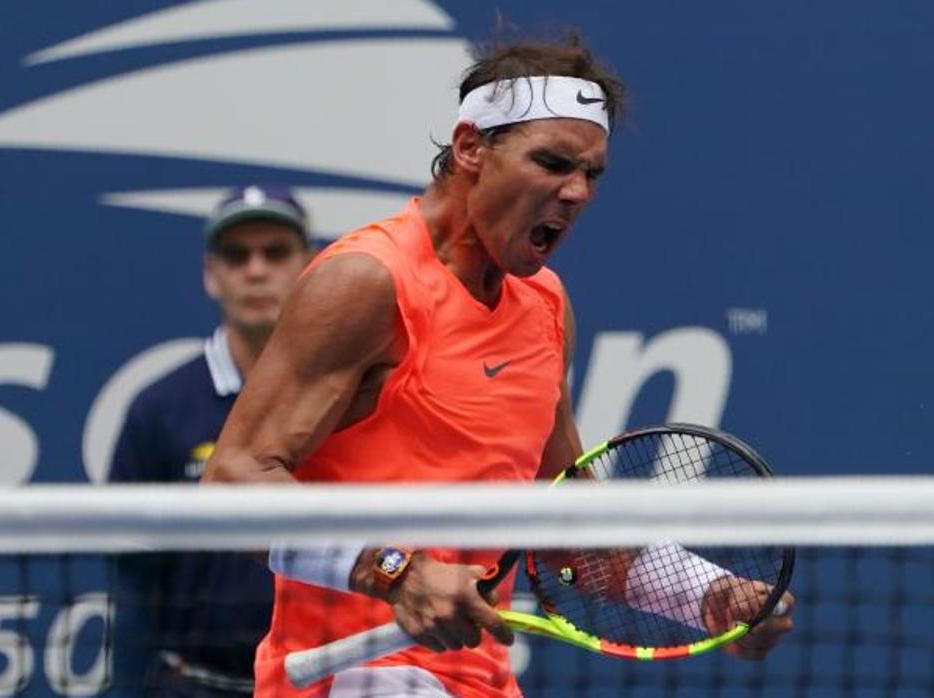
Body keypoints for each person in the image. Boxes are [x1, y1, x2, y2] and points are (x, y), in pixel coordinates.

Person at [203, 35, 796, 697]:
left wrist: (707, 596)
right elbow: (231, 483)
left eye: (591, 174)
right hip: (355, 680)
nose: (574, 193)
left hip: (476, 681)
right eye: (551, 163)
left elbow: (563, 524)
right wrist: (392, 569)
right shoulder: (367, 283)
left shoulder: (543, 303)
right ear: (470, 149)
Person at [109, 185, 317, 696]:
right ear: (211, 274)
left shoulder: (350, 398)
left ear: (309, 267)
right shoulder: (159, 409)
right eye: (236, 255)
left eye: (275, 252)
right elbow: (134, 574)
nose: (255, 270)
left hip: (323, 682)